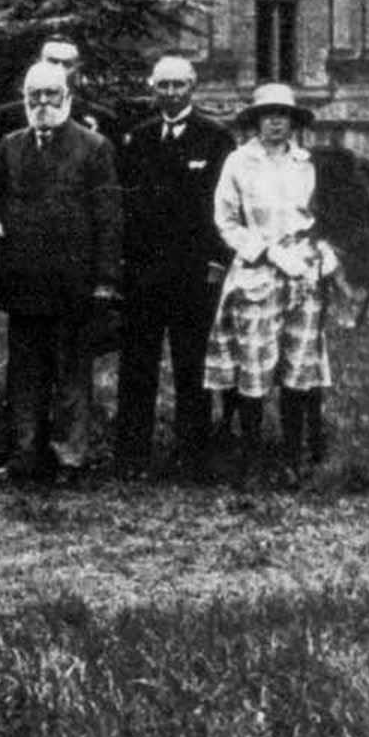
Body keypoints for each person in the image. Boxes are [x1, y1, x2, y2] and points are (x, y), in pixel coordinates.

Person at [0, 61, 123, 485]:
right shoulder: (10, 145)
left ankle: (69, 458)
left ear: (67, 98)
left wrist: (105, 280)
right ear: (25, 100)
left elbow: (109, 216)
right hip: (23, 279)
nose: (42, 103)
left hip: (73, 282)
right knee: (25, 372)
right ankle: (26, 453)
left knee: (71, 373)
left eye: (51, 94)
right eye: (34, 96)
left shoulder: (94, 147)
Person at [205, 84, 338, 484]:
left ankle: (292, 457)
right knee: (254, 363)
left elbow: (320, 218)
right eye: (268, 115)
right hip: (257, 271)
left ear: (293, 122)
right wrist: (264, 251)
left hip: (301, 272)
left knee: (299, 364)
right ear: (256, 121)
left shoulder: (307, 163)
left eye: (283, 115)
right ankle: (250, 457)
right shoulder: (239, 162)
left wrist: (322, 251)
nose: (276, 122)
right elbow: (226, 221)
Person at [114, 55, 236, 479]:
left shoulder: (216, 138)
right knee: (137, 366)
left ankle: (193, 457)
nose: (170, 93)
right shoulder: (139, 137)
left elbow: (224, 208)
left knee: (192, 365)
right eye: (162, 85)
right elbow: (127, 204)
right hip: (144, 273)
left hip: (193, 273)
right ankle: (132, 457)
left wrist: (217, 261)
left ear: (192, 88)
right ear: (153, 88)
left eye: (178, 85)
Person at [0, 36, 118, 142]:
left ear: (77, 69)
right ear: (38, 63)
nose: (60, 69)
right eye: (53, 62)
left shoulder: (102, 119)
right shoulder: (8, 117)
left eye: (67, 64)